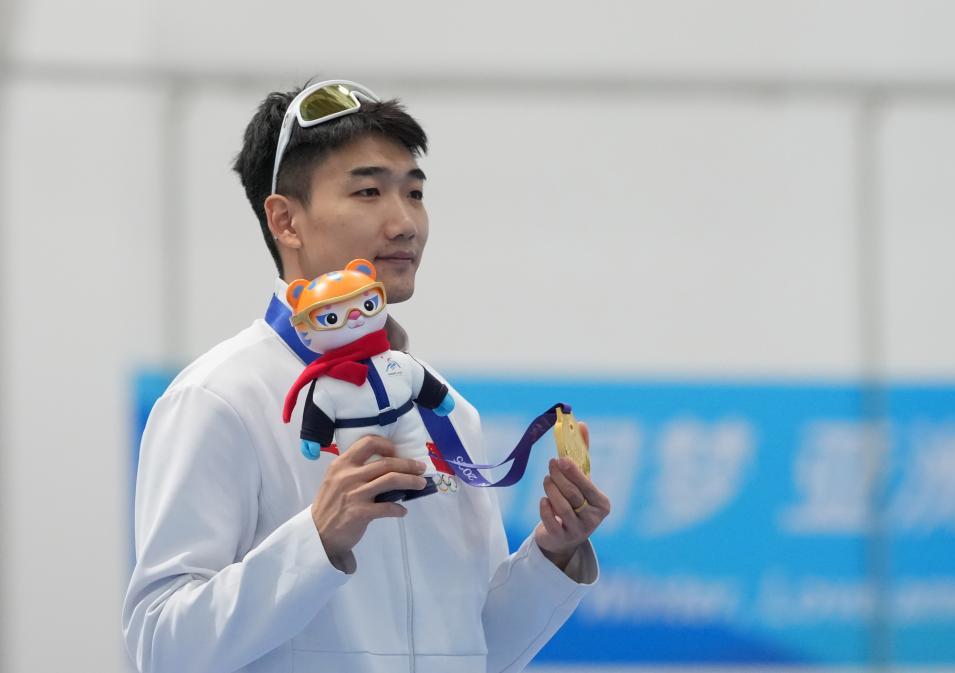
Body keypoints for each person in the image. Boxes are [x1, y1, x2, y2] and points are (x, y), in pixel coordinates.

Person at [122, 79, 611, 673]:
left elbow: (470, 649)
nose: (405, 223)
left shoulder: (448, 413)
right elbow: (161, 647)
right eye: (369, 192)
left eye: (415, 192)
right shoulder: (220, 398)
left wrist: (553, 554)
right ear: (286, 220)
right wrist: (316, 541)